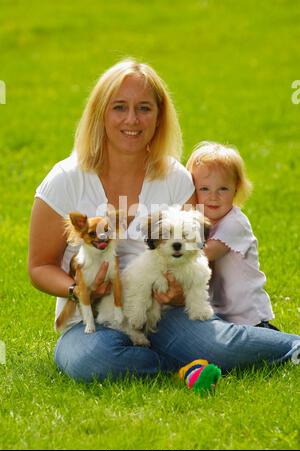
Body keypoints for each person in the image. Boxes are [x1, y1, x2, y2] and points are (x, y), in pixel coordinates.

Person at [28, 58, 300, 383]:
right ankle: (182, 364)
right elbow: (40, 266)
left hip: (162, 314)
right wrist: (77, 289)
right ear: (100, 113)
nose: (132, 119)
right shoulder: (66, 179)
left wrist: (179, 296)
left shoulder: (175, 178)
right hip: (94, 320)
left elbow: (190, 252)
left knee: (218, 344)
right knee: (95, 362)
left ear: (159, 116)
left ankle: (290, 349)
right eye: (119, 107)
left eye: (144, 108)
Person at [186, 141, 279, 329]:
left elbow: (205, 254)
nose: (213, 196)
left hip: (248, 316)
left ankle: (286, 343)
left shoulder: (235, 223)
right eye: (204, 189)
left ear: (236, 189)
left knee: (254, 347)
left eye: (223, 189)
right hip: (222, 314)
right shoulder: (200, 221)